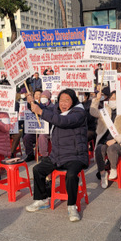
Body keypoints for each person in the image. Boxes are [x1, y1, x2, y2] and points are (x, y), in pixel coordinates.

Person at [25, 89, 88, 222]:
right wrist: (32, 102)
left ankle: (72, 206)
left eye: (67, 100)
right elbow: (44, 109)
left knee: (71, 175)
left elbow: (62, 121)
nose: (63, 103)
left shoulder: (79, 113)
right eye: (61, 100)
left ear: (73, 101)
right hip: (57, 155)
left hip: (75, 155)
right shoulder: (56, 110)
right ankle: (42, 199)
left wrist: (41, 112)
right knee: (37, 169)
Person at [90, 90, 121, 188]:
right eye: (111, 98)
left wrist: (116, 140)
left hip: (119, 142)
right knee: (99, 149)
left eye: (114, 98)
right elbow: (93, 112)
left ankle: (113, 169)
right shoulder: (106, 111)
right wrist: (96, 100)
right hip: (105, 140)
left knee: (112, 148)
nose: (111, 100)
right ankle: (102, 174)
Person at [23, 90, 53, 162]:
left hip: (47, 130)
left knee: (42, 136)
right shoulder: (39, 104)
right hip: (37, 129)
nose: (42, 98)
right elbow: (33, 109)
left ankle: (44, 156)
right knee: (27, 137)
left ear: (48, 98)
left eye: (44, 97)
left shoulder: (52, 107)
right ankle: (30, 154)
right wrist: (30, 102)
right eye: (42, 96)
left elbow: (44, 109)